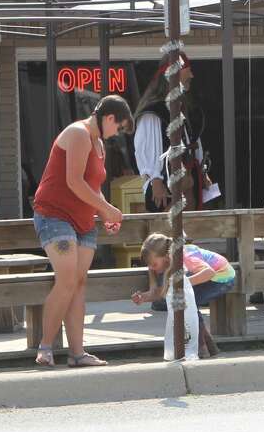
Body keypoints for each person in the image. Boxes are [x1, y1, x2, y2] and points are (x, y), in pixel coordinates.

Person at [31, 95, 132, 368]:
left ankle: (77, 353)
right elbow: (73, 182)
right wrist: (109, 209)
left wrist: (102, 213)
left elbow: (93, 185)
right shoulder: (78, 133)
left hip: (84, 222)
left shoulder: (98, 144)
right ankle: (45, 346)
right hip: (54, 216)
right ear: (109, 118)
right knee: (66, 279)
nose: (117, 134)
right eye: (119, 127)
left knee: (78, 282)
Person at [133, 53, 217, 213]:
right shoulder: (154, 112)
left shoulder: (184, 107)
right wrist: (155, 179)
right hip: (166, 184)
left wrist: (202, 171)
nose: (191, 75)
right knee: (166, 231)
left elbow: (193, 142)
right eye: (187, 70)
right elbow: (146, 148)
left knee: (188, 230)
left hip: (188, 181)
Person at [132, 232, 235, 357]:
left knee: (187, 300)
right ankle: (209, 347)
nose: (152, 268)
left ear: (166, 256)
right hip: (207, 276)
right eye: (149, 265)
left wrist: (183, 283)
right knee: (186, 299)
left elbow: (209, 272)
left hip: (222, 277)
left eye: (154, 264)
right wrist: (143, 297)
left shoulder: (185, 256)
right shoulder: (156, 266)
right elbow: (158, 292)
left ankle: (202, 347)